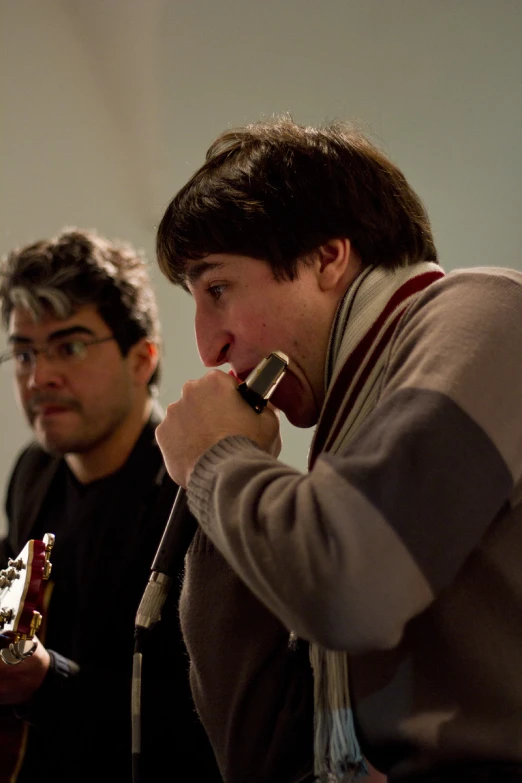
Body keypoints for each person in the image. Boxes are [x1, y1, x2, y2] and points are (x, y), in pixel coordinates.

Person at [153, 117, 522, 783]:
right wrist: (217, 490)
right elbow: (259, 751)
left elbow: (356, 586)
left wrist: (217, 461)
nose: (210, 346)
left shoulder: (486, 312)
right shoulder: (347, 437)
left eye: (218, 288)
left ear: (329, 257)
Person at [0, 229, 222, 782]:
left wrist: (46, 681)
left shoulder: (193, 495)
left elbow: (202, 725)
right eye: (23, 352)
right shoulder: (33, 472)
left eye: (69, 347)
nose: (38, 376)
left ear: (142, 359)